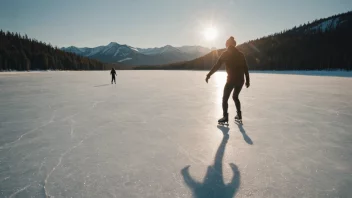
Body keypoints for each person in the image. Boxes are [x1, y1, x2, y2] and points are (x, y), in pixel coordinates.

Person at [205, 36, 250, 123]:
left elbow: (217, 65)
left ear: (228, 44)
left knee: (225, 99)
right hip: (240, 80)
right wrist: (247, 80)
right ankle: (239, 115)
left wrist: (209, 75)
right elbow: (245, 68)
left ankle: (225, 117)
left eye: (226, 44)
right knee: (235, 97)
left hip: (231, 80)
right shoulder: (241, 54)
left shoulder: (225, 54)